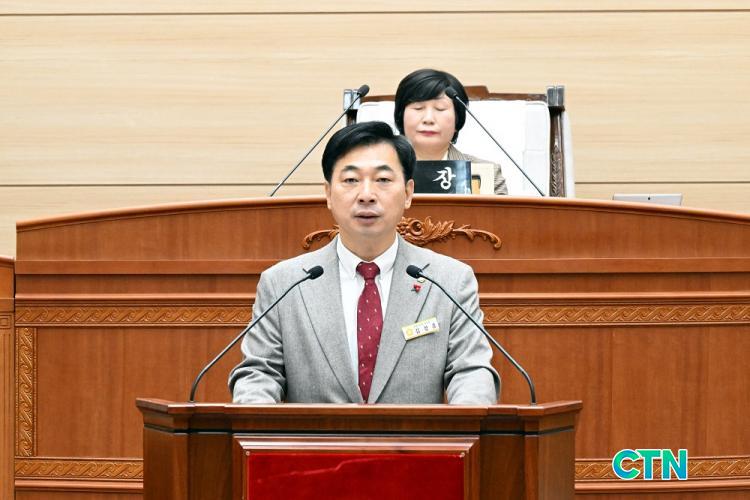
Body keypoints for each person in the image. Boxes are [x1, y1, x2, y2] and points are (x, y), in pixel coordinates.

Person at [229, 121, 499, 404]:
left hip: (415, 435)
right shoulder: (283, 283)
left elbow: (472, 371)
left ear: (408, 193)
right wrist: (257, 412)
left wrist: (467, 416)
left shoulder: (449, 280)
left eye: (383, 180)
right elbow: (258, 373)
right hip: (315, 436)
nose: (366, 195)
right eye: (350, 180)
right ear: (328, 194)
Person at [394, 68, 508, 195]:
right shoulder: (379, 169)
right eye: (418, 108)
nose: (428, 119)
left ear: (457, 120)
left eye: (440, 108)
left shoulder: (487, 174)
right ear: (401, 116)